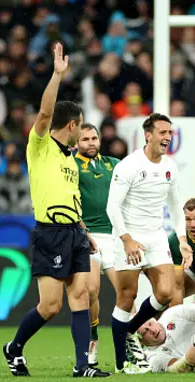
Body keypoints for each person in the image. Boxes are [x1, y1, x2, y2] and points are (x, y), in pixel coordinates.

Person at [2, 43, 110, 378]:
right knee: (51, 306)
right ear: (73, 124)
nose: (83, 132)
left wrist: (85, 232)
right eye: (81, 126)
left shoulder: (69, 160)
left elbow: (70, 199)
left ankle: (82, 366)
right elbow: (45, 114)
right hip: (49, 233)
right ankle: (14, 348)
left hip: (75, 232)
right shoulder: (41, 146)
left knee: (80, 295)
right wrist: (57, 74)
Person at [106, 113, 193, 374]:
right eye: (162, 132)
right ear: (148, 135)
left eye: (170, 133)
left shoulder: (169, 166)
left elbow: (176, 206)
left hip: (155, 236)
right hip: (129, 236)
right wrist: (127, 240)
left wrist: (182, 239)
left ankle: (130, 332)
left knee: (167, 292)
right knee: (126, 297)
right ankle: (122, 362)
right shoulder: (129, 165)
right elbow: (112, 207)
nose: (167, 137)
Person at [74, 123, 121, 367]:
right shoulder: (70, 166)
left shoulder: (114, 164)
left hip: (114, 237)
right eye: (85, 139)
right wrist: (82, 230)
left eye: (94, 138)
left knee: (126, 293)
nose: (91, 143)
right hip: (88, 237)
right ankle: (93, 338)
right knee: (91, 290)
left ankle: (129, 346)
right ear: (77, 143)